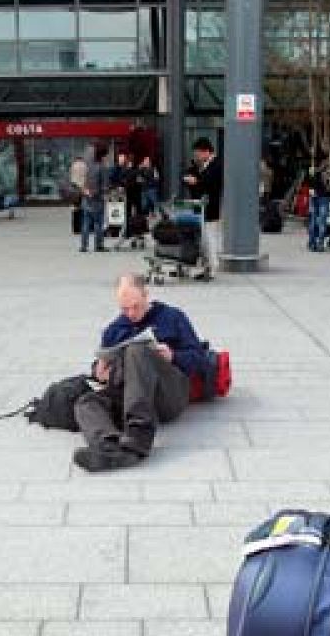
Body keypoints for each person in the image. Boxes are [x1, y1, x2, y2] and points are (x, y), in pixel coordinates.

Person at [72, 273, 208, 472]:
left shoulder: (172, 316)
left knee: (137, 350)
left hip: (168, 395)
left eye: (136, 306)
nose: (131, 313)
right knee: (86, 402)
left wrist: (173, 356)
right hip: (129, 394)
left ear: (146, 295)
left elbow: (199, 360)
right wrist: (99, 371)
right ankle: (107, 447)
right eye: (125, 309)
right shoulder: (114, 329)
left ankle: (139, 436)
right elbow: (103, 360)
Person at [183, 137, 222, 280]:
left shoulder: (216, 165)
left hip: (211, 209)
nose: (196, 157)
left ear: (206, 152)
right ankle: (206, 267)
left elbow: (211, 184)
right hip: (201, 209)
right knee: (204, 241)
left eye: (198, 154)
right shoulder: (202, 165)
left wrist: (196, 181)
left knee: (210, 240)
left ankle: (212, 268)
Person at [80, 145, 109, 254]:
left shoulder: (89, 166)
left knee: (86, 223)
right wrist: (104, 193)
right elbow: (104, 186)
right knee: (98, 223)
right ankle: (98, 245)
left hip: (86, 199)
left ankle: (84, 246)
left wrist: (87, 192)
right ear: (103, 156)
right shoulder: (102, 167)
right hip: (97, 200)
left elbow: (85, 181)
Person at [306, 161, 330, 252]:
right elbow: (310, 185)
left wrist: (328, 180)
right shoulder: (316, 173)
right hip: (319, 198)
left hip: (320, 198)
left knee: (317, 221)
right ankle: (315, 242)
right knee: (318, 221)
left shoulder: (326, 175)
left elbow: (329, 188)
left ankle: (316, 242)